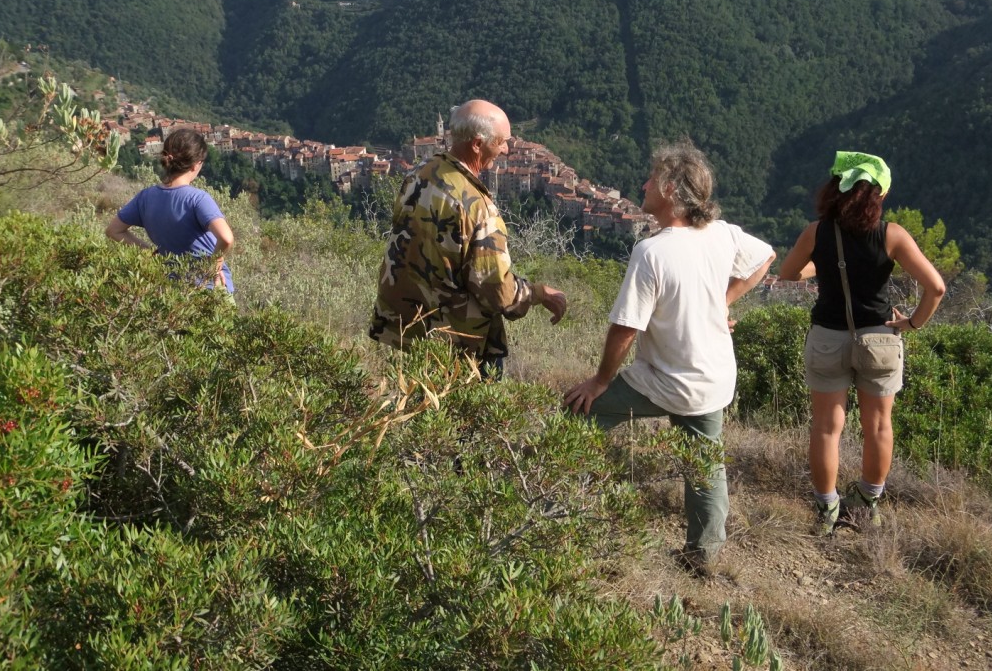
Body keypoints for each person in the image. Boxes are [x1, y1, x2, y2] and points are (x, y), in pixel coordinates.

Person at [565, 140, 775, 574]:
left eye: (651, 178)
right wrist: (723, 301)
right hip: (713, 378)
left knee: (577, 415)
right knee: (705, 463)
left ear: (670, 189)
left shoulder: (652, 252)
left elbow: (626, 328)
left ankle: (558, 509)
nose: (643, 185)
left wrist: (600, 381)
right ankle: (703, 555)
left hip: (667, 379)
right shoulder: (722, 234)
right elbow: (765, 256)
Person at [779, 151, 945, 534]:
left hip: (827, 338)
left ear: (836, 189)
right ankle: (867, 503)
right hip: (880, 339)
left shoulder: (816, 232)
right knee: (879, 426)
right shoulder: (892, 234)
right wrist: (912, 323)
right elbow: (936, 287)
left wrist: (822, 265)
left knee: (826, 427)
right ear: (879, 195)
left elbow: (788, 272)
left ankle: (826, 509)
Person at [370, 99, 566, 378]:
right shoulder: (477, 207)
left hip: (407, 329)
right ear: (477, 144)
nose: (506, 149)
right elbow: (496, 290)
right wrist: (538, 293)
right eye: (501, 142)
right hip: (457, 347)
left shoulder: (420, 172)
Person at [105, 128, 235, 296]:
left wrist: (150, 252)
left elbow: (113, 230)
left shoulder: (145, 197)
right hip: (209, 289)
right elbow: (226, 238)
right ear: (196, 164)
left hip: (171, 293)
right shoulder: (197, 198)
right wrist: (215, 265)